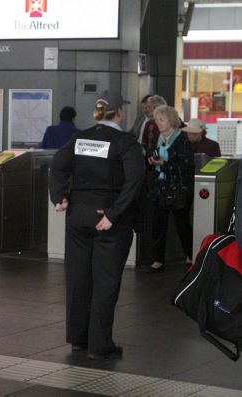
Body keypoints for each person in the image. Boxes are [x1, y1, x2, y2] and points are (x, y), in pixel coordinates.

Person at [49, 90, 144, 360]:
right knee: (106, 281)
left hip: (78, 216)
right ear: (120, 112)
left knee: (78, 279)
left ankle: (78, 338)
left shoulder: (79, 138)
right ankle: (100, 345)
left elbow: (57, 166)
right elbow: (134, 181)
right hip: (108, 219)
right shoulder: (125, 142)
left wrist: (60, 197)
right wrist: (113, 214)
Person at [146, 105, 195, 273]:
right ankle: (157, 259)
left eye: (162, 119)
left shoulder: (183, 140)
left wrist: (164, 164)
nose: (158, 123)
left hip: (179, 188)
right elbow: (150, 160)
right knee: (158, 224)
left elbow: (187, 166)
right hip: (160, 188)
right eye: (156, 119)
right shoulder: (156, 139)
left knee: (182, 224)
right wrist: (151, 162)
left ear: (171, 120)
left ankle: (190, 255)